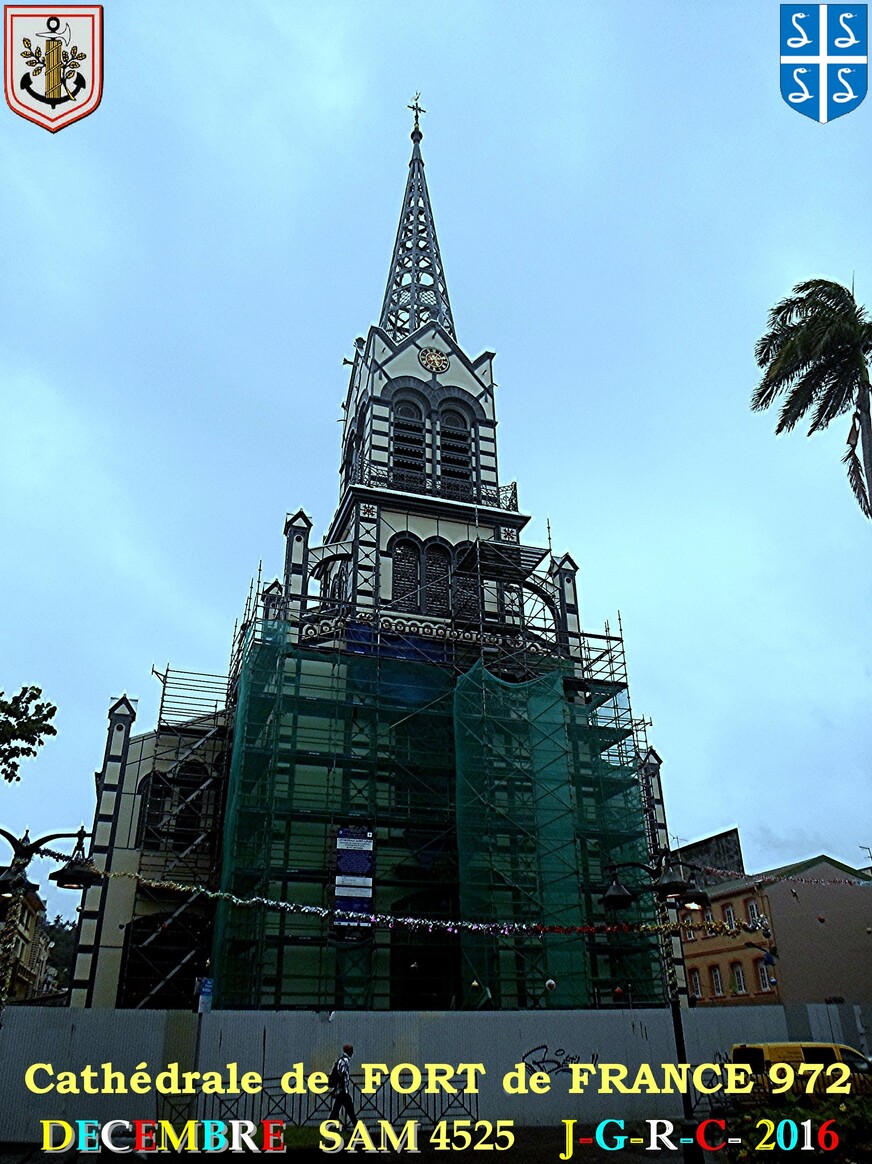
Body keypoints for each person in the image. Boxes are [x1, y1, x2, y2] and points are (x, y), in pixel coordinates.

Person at [329, 1043, 356, 1127]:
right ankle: (357, 1126)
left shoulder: (342, 1060)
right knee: (350, 1109)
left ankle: (328, 1126)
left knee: (336, 1110)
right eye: (351, 1051)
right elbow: (341, 1074)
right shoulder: (345, 1061)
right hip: (342, 1091)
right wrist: (342, 1087)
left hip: (340, 1091)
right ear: (349, 1052)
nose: (352, 1053)